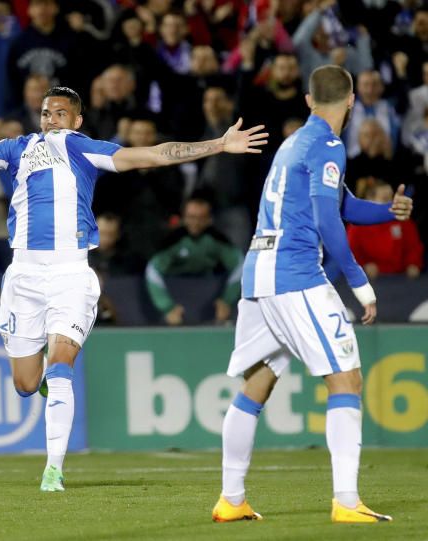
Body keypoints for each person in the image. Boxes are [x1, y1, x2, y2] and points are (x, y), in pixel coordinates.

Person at [0, 86, 266, 492]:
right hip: (24, 276)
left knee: (61, 364)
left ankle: (53, 470)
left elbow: (152, 154)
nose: (51, 120)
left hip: (70, 274)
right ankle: (45, 384)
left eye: (60, 113)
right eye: (47, 113)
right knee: (27, 384)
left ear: (77, 119)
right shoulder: (16, 149)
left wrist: (216, 144)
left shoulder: (82, 148)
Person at [214, 65, 413, 524]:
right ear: (350, 101)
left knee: (257, 383)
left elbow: (341, 204)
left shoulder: (294, 144)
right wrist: (360, 284)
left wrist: (388, 211)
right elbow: (328, 222)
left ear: (308, 100)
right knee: (346, 380)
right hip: (295, 273)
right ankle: (346, 502)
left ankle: (231, 498)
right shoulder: (328, 145)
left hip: (258, 271)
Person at [145, 196, 243, 326]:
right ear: (183, 217)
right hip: (177, 296)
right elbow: (153, 270)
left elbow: (240, 265)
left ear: (209, 219)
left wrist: (226, 301)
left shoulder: (217, 241)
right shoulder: (173, 242)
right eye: (191, 217)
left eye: (201, 218)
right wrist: (167, 307)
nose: (195, 223)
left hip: (209, 297)